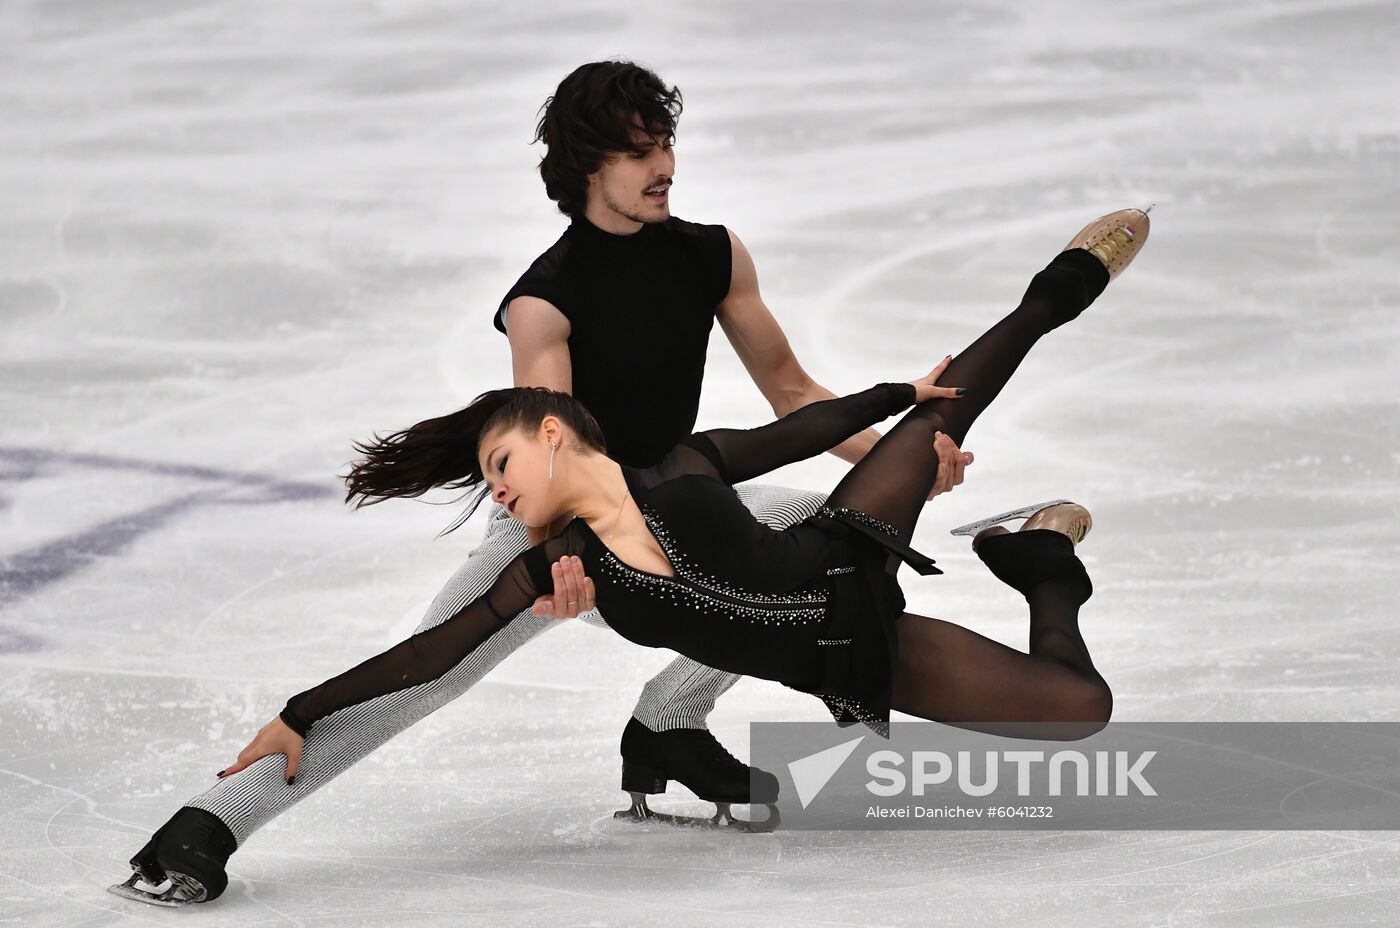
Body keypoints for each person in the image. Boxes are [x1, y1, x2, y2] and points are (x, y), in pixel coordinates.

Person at [110, 60, 975, 907]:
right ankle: (211, 822)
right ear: (586, 166)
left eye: (665, 141)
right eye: (639, 151)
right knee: (431, 671)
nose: (664, 165)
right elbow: (554, 461)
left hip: (682, 501)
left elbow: (790, 390)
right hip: (563, 527)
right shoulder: (545, 302)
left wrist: (895, 463)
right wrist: (551, 564)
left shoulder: (711, 255)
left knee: (833, 528)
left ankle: (669, 718)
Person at [206, 206, 1150, 888]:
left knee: (959, 390)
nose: (494, 491)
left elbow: (798, 428)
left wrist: (899, 400)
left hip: (841, 553)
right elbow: (428, 656)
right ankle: (1043, 567)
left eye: (498, 464)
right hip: (856, 654)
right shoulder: (551, 568)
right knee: (1081, 712)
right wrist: (300, 710)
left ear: (549, 435)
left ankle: (1062, 286)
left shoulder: (687, 469)